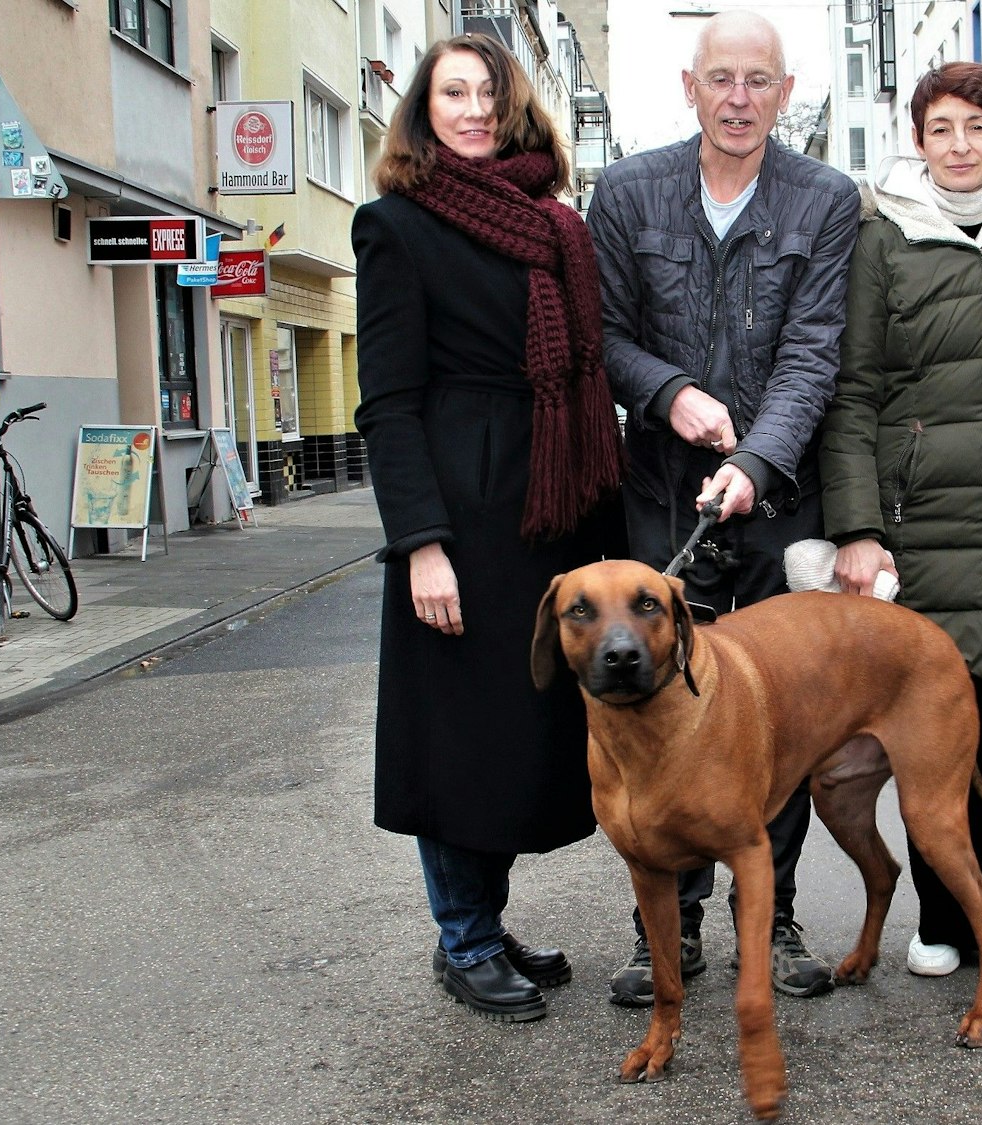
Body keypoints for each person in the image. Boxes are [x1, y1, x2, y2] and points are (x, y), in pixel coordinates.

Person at [587, 10, 862, 1007]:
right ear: (689, 86)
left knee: (770, 724)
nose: (738, 98)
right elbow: (603, 337)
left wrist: (754, 455)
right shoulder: (621, 193)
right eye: (721, 79)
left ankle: (775, 918)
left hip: (776, 507)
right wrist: (666, 392)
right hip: (658, 505)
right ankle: (668, 928)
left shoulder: (826, 199)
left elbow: (812, 353)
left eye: (758, 80)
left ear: (782, 93)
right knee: (656, 720)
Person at [352, 33, 624, 1024]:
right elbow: (386, 403)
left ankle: (479, 919)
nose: (471, 109)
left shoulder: (554, 224)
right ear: (421, 111)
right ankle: (462, 939)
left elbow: (587, 370)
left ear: (516, 110)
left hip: (553, 512)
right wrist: (419, 542)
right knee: (462, 742)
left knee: (524, 737)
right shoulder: (394, 226)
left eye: (487, 95)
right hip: (461, 521)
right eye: (450, 93)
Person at [818, 62, 982, 980]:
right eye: (942, 129)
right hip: (924, 521)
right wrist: (858, 525)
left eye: (978, 126)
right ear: (917, 139)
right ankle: (941, 916)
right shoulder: (882, 240)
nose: (960, 145)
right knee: (931, 730)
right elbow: (853, 394)